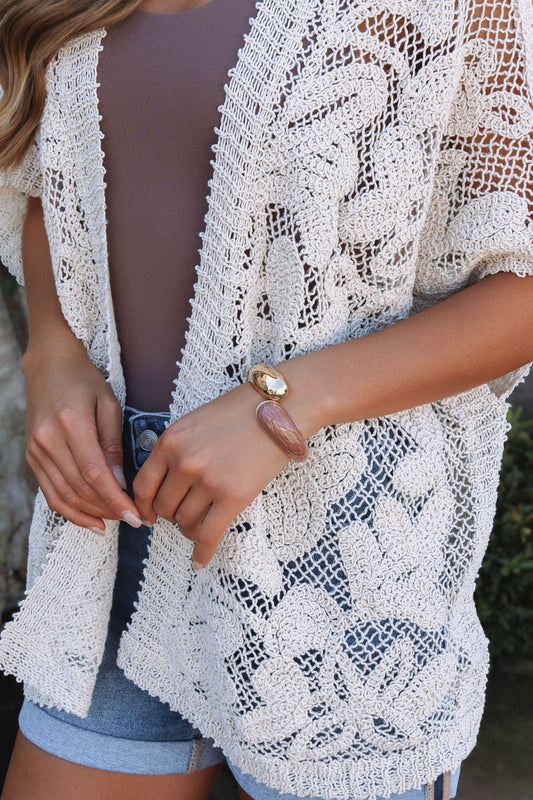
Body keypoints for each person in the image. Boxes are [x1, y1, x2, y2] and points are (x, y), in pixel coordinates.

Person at [0, 0, 532, 798]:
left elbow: (517, 289)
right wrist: (54, 356)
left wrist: (282, 403)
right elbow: (47, 178)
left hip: (340, 548)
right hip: (109, 531)